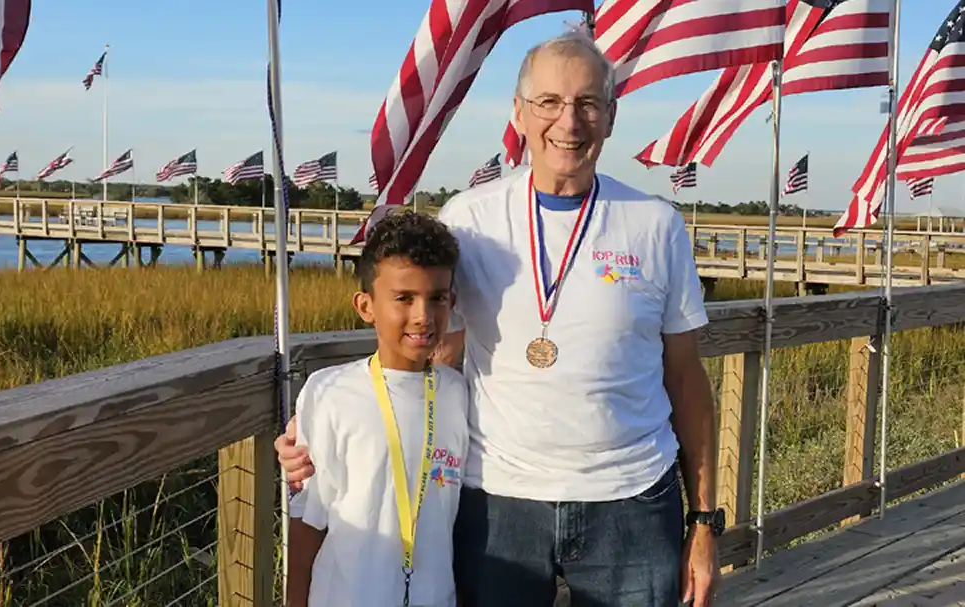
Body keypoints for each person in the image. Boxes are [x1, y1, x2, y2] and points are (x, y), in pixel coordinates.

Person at [277, 30, 721, 607]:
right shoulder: (471, 219)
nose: (570, 122)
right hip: (499, 503)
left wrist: (706, 520)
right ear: (519, 113)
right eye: (550, 103)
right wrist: (317, 426)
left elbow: (686, 378)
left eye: (589, 103)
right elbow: (425, 347)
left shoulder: (657, 225)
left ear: (610, 117)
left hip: (631, 498)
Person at [285, 211, 469, 607]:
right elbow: (307, 519)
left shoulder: (459, 395)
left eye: (436, 298)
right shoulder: (330, 392)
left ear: (452, 302)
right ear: (365, 306)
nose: (422, 316)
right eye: (403, 298)